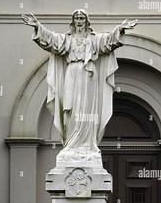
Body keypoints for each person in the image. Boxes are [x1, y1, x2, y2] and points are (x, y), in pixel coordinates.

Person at [22, 10, 138, 165]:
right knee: (69, 109)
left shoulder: (94, 39)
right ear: (73, 21)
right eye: (76, 18)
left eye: (82, 18)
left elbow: (109, 42)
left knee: (87, 109)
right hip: (72, 73)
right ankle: (71, 144)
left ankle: (87, 145)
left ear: (86, 21)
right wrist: (37, 26)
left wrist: (120, 28)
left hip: (89, 76)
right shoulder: (66, 39)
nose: (79, 21)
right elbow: (51, 40)